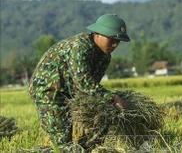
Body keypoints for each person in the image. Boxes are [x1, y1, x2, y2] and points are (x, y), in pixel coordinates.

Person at [27, 14, 130, 147]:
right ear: (97, 34)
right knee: (62, 141)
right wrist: (113, 98)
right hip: (50, 92)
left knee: (95, 131)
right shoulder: (80, 47)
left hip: (70, 93)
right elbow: (84, 82)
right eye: (111, 39)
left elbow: (92, 87)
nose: (115, 44)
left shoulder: (105, 57)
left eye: (118, 41)